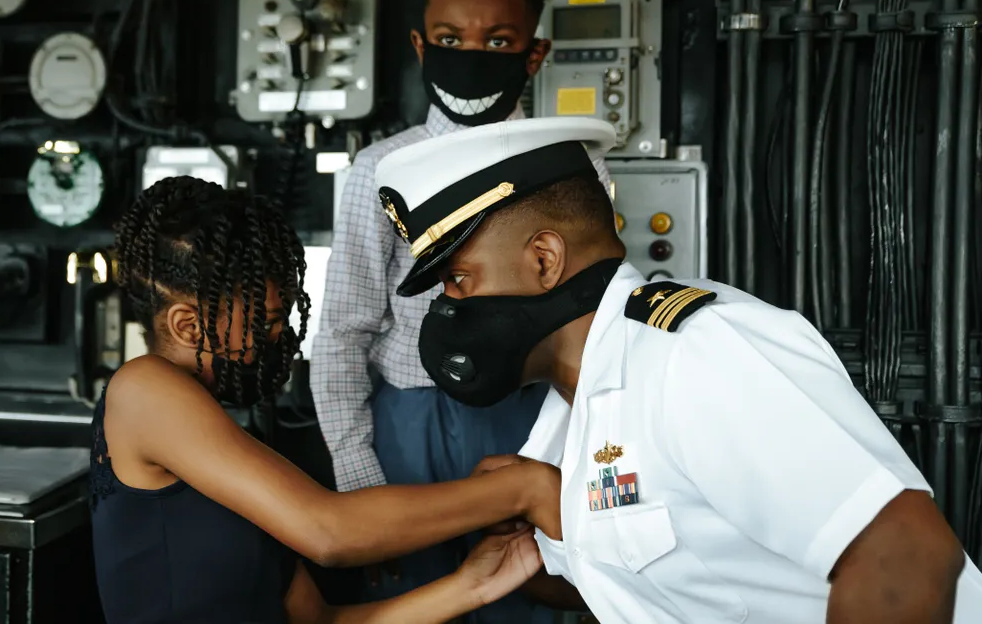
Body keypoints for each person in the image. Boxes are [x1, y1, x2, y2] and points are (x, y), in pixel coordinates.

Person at [374, 116, 982, 624]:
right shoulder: (569, 411)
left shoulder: (696, 355)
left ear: (543, 261)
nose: (446, 309)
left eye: (458, 280)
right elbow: (647, 585)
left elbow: (906, 553)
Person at [89, 175, 564, 624]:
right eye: (261, 325)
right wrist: (520, 490)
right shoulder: (142, 391)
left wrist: (473, 585)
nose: (276, 341)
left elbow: (323, 621)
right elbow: (330, 533)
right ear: (187, 326)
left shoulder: (229, 449)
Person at [310, 0, 609, 622]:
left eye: (498, 43)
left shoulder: (575, 166)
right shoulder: (376, 172)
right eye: (450, 38)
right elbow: (343, 333)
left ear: (535, 54)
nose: (471, 57)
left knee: (528, 593)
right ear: (420, 45)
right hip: (405, 428)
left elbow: (589, 323)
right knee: (409, 602)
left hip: (531, 422)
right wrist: (358, 481)